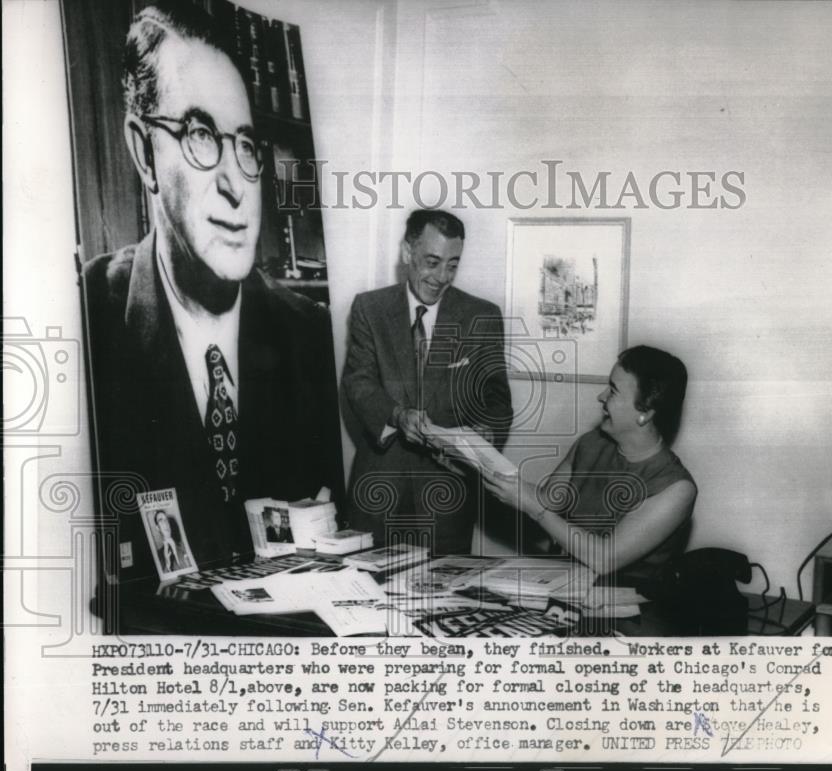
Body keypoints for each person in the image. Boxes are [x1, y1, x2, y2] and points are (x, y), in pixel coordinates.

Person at [83, 2, 342, 578]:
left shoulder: (308, 334)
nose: (234, 185)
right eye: (201, 134)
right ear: (144, 152)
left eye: (245, 145)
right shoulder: (88, 317)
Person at [342, 209, 513, 555]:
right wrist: (397, 416)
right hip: (377, 490)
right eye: (432, 262)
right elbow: (359, 383)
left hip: (446, 498)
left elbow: (497, 398)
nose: (441, 277)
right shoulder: (369, 308)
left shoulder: (481, 316)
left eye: (452, 264)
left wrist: (488, 432)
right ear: (408, 253)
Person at [483, 346, 696, 588]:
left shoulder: (677, 488)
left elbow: (605, 559)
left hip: (631, 609)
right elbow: (546, 500)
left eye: (613, 391)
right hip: (563, 587)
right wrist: (476, 459)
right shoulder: (591, 443)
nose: (601, 396)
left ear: (644, 413)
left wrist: (534, 508)